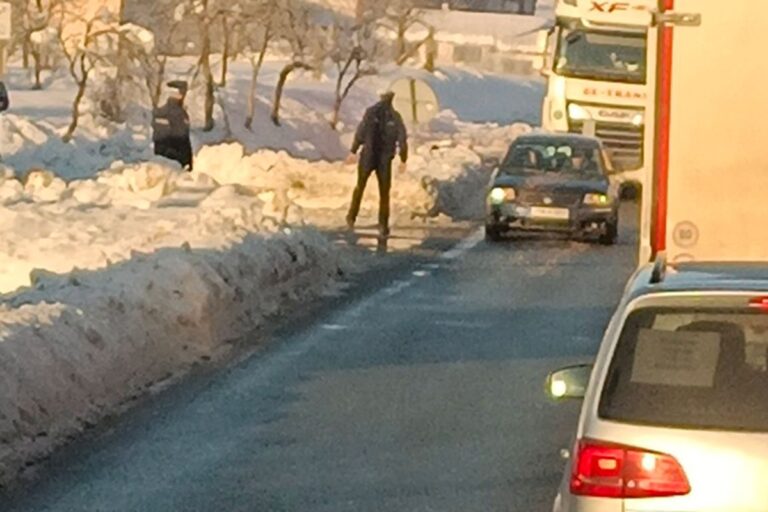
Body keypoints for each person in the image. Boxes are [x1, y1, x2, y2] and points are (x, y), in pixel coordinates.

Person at [346, 91, 408, 237]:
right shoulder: (395, 116)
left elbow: (360, 133)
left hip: (368, 156)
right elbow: (402, 139)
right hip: (384, 159)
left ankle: (351, 217)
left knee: (360, 187)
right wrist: (403, 158)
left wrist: (354, 150)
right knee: (384, 193)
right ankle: (383, 224)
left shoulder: (370, 113)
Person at [153, 80, 193, 170]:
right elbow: (164, 142)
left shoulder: (163, 112)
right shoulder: (174, 114)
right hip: (173, 164)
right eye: (183, 92)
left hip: (170, 163)